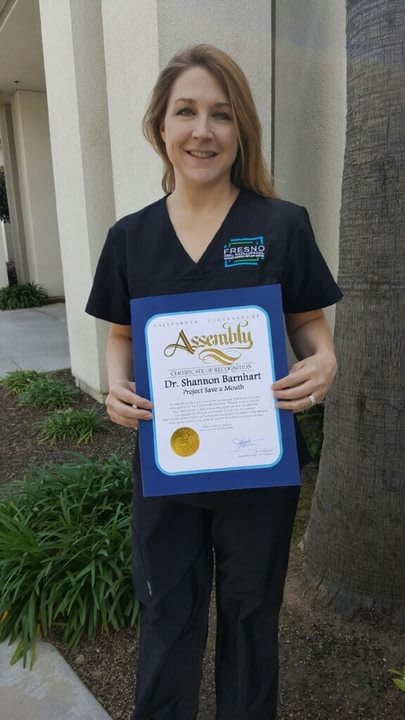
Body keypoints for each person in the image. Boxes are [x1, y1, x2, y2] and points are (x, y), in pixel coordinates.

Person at [86, 44, 342, 720]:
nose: (203, 130)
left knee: (251, 618)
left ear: (241, 128)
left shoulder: (279, 225)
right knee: (167, 616)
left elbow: (308, 324)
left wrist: (324, 361)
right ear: (160, 126)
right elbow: (120, 333)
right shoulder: (129, 238)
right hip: (168, 467)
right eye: (186, 112)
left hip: (259, 467)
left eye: (221, 114)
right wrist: (116, 386)